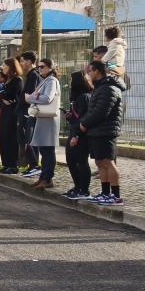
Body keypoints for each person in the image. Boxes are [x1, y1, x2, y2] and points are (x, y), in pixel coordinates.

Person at [80, 61, 125, 205]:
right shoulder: (100, 87)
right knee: (100, 162)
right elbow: (93, 110)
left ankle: (116, 196)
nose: (89, 75)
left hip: (106, 131)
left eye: (90, 72)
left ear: (97, 72)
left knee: (108, 162)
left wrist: (84, 123)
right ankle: (105, 193)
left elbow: (100, 112)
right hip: (97, 131)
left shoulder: (108, 88)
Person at [25, 58, 61, 190]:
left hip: (48, 119)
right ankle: (43, 177)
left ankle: (47, 178)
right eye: (39, 67)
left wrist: (30, 98)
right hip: (43, 118)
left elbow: (47, 98)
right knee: (44, 149)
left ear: (50, 68)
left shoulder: (51, 80)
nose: (40, 69)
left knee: (47, 150)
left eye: (42, 67)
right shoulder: (46, 80)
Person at [63, 71, 93, 200]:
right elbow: (76, 117)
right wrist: (69, 117)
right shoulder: (77, 98)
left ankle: (84, 190)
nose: (69, 83)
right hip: (75, 131)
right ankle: (77, 186)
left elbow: (84, 118)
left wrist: (77, 135)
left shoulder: (84, 97)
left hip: (81, 135)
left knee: (81, 161)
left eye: (71, 80)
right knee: (71, 160)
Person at [0, 58, 24, 174]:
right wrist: (3, 96)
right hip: (5, 109)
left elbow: (11, 95)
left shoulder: (17, 80)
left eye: (5, 65)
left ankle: (13, 165)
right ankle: (5, 163)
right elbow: (0, 94)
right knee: (3, 136)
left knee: (10, 137)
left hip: (13, 112)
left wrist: (4, 96)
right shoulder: (7, 80)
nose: (3, 67)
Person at [17, 51, 40, 176]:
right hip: (25, 110)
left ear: (30, 61)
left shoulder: (34, 75)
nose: (21, 63)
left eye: (23, 61)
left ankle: (34, 164)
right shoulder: (30, 75)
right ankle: (32, 164)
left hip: (27, 111)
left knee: (27, 138)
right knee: (24, 138)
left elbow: (30, 95)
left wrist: (24, 100)